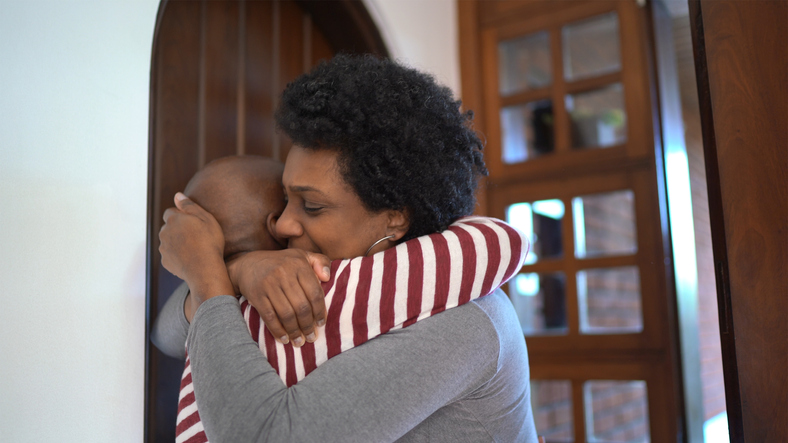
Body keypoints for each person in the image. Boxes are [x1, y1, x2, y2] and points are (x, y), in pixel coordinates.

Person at [157, 54, 539, 442]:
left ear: (395, 218)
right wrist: (240, 270)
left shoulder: (464, 320)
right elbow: (168, 334)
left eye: (313, 206)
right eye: (285, 199)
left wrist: (207, 270)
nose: (284, 224)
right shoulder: (345, 278)